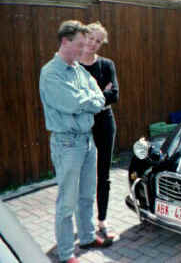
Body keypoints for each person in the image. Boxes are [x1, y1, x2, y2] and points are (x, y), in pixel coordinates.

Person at [39, 20, 112, 263]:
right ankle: (66, 253)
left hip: (87, 141)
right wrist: (89, 100)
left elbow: (99, 97)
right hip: (67, 143)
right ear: (65, 42)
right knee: (67, 201)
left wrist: (89, 99)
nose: (84, 50)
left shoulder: (79, 69)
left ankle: (88, 236)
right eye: (79, 45)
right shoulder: (51, 73)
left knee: (86, 194)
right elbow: (72, 104)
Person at [79, 22, 119, 240]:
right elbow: (73, 101)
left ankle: (102, 219)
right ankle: (84, 223)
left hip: (104, 123)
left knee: (103, 174)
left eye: (98, 41)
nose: (93, 44)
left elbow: (116, 95)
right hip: (81, 125)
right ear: (84, 37)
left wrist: (89, 101)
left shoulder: (106, 65)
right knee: (83, 175)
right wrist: (101, 97)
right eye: (91, 38)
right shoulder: (74, 66)